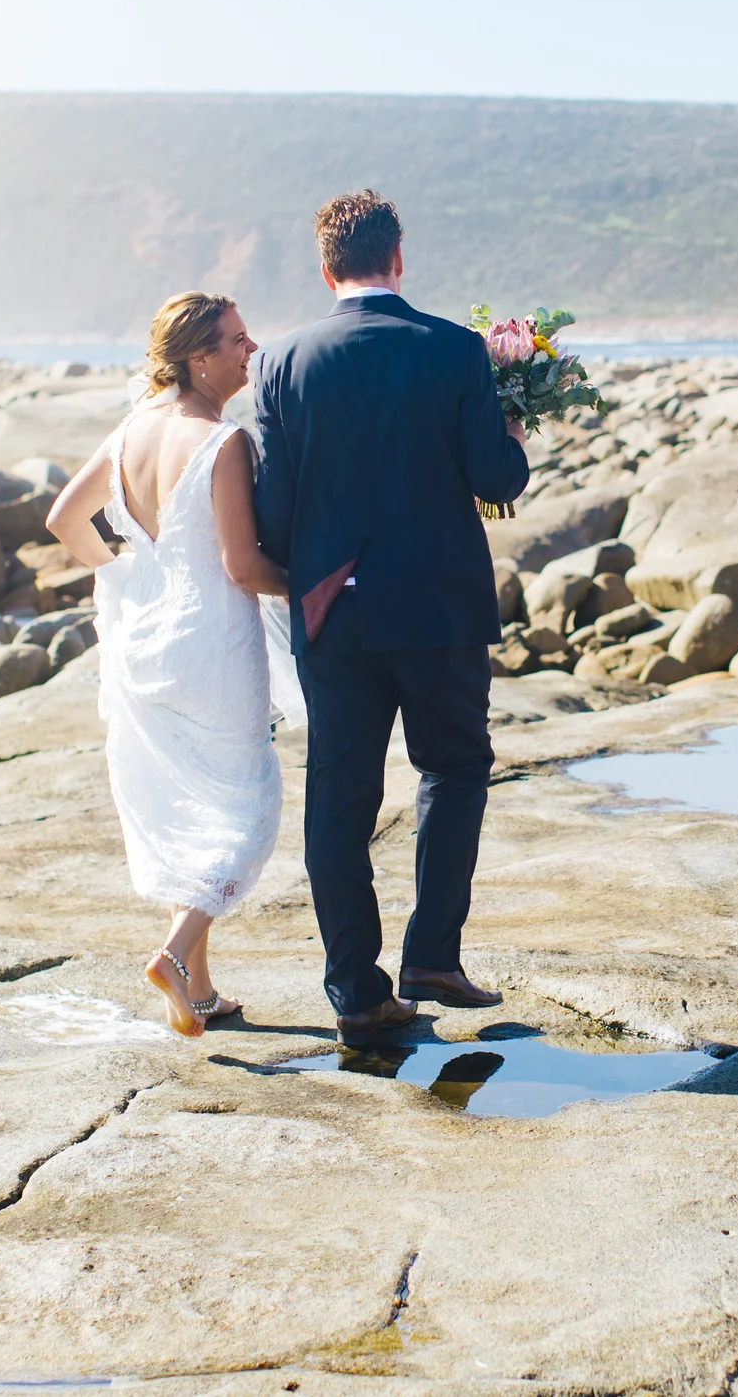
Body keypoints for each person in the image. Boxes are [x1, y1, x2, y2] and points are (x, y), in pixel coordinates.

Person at [253, 191, 531, 1043]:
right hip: (439, 604)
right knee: (452, 769)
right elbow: (499, 479)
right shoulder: (453, 349)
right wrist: (513, 414)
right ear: (398, 258)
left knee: (339, 794)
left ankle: (355, 992)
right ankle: (432, 956)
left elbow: (271, 515)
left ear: (326, 268)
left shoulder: (279, 363)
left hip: (331, 613)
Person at [44, 292, 292, 1038]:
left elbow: (63, 518)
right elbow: (243, 568)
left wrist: (127, 571)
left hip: (144, 640)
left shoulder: (131, 430)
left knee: (187, 803)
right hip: (212, 646)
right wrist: (318, 580)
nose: (251, 349)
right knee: (248, 805)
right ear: (199, 359)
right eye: (237, 340)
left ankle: (200, 985)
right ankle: (176, 951)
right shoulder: (221, 442)